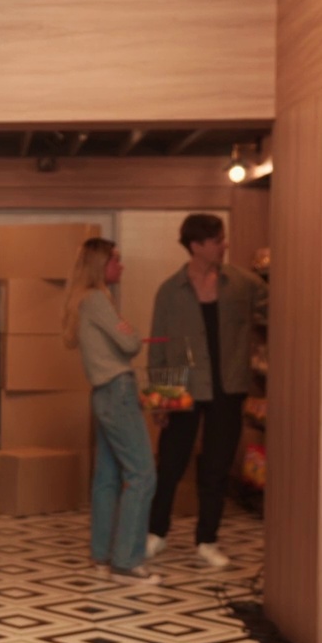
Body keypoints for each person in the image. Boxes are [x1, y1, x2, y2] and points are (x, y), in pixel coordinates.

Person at [146, 213, 267, 567]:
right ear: (197, 246)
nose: (224, 245)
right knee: (170, 464)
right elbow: (159, 347)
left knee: (216, 467)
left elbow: (280, 308)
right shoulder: (170, 291)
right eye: (217, 240)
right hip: (183, 389)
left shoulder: (243, 283)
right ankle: (157, 534)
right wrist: (160, 401)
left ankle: (207, 540)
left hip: (228, 389)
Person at [62, 238, 160, 585]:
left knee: (106, 478)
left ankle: (102, 555)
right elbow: (130, 343)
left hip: (103, 394)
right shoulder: (99, 300)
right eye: (116, 260)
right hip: (118, 390)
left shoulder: (82, 301)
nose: (122, 266)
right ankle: (126, 561)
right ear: (101, 265)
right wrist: (129, 327)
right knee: (143, 474)